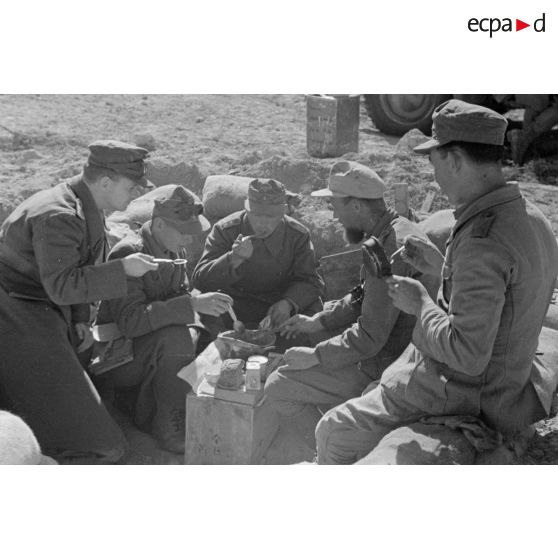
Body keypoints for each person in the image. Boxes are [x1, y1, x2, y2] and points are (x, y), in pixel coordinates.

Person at [315, 100, 558, 464]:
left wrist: (421, 304)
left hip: (467, 392)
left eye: (435, 163)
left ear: (456, 160)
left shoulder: (482, 240)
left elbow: (467, 354)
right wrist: (440, 264)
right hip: (508, 380)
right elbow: (506, 294)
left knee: (332, 429)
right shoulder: (529, 215)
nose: (435, 177)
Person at [0, 140, 159, 464]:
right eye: (131, 188)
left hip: (42, 307)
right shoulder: (59, 215)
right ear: (104, 182)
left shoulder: (85, 205)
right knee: (105, 446)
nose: (134, 196)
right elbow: (61, 284)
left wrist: (80, 318)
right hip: (18, 312)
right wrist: (122, 270)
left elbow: (74, 267)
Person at [263, 161, 435, 448]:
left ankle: (327, 449)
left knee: (278, 386)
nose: (333, 215)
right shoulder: (393, 230)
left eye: (335, 205)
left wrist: (316, 356)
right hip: (399, 351)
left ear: (356, 206)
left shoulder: (388, 248)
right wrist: (320, 320)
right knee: (314, 331)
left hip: (394, 365)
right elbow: (365, 294)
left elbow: (370, 338)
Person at [94, 185, 233, 453]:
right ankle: (168, 426)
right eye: (183, 232)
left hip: (147, 349)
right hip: (117, 357)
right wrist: (191, 304)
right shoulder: (129, 253)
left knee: (211, 327)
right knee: (176, 338)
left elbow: (177, 294)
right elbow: (131, 322)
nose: (189, 241)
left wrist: (204, 302)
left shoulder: (172, 250)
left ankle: (177, 405)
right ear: (158, 224)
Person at [192, 178, 324, 334]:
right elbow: (200, 281)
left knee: (313, 309)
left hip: (276, 305)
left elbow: (312, 281)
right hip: (234, 307)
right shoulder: (226, 230)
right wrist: (234, 259)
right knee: (201, 313)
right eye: (257, 215)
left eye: (270, 217)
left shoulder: (297, 235)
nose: (263, 223)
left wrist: (288, 303)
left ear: (283, 213)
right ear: (247, 210)